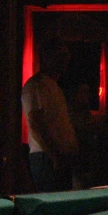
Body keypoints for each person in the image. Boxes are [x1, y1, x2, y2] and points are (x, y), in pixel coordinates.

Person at [21, 36, 79, 192]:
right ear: (47, 57)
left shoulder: (52, 85)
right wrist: (55, 156)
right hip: (47, 158)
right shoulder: (37, 85)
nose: (66, 59)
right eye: (61, 55)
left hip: (56, 157)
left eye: (66, 55)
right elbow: (36, 123)